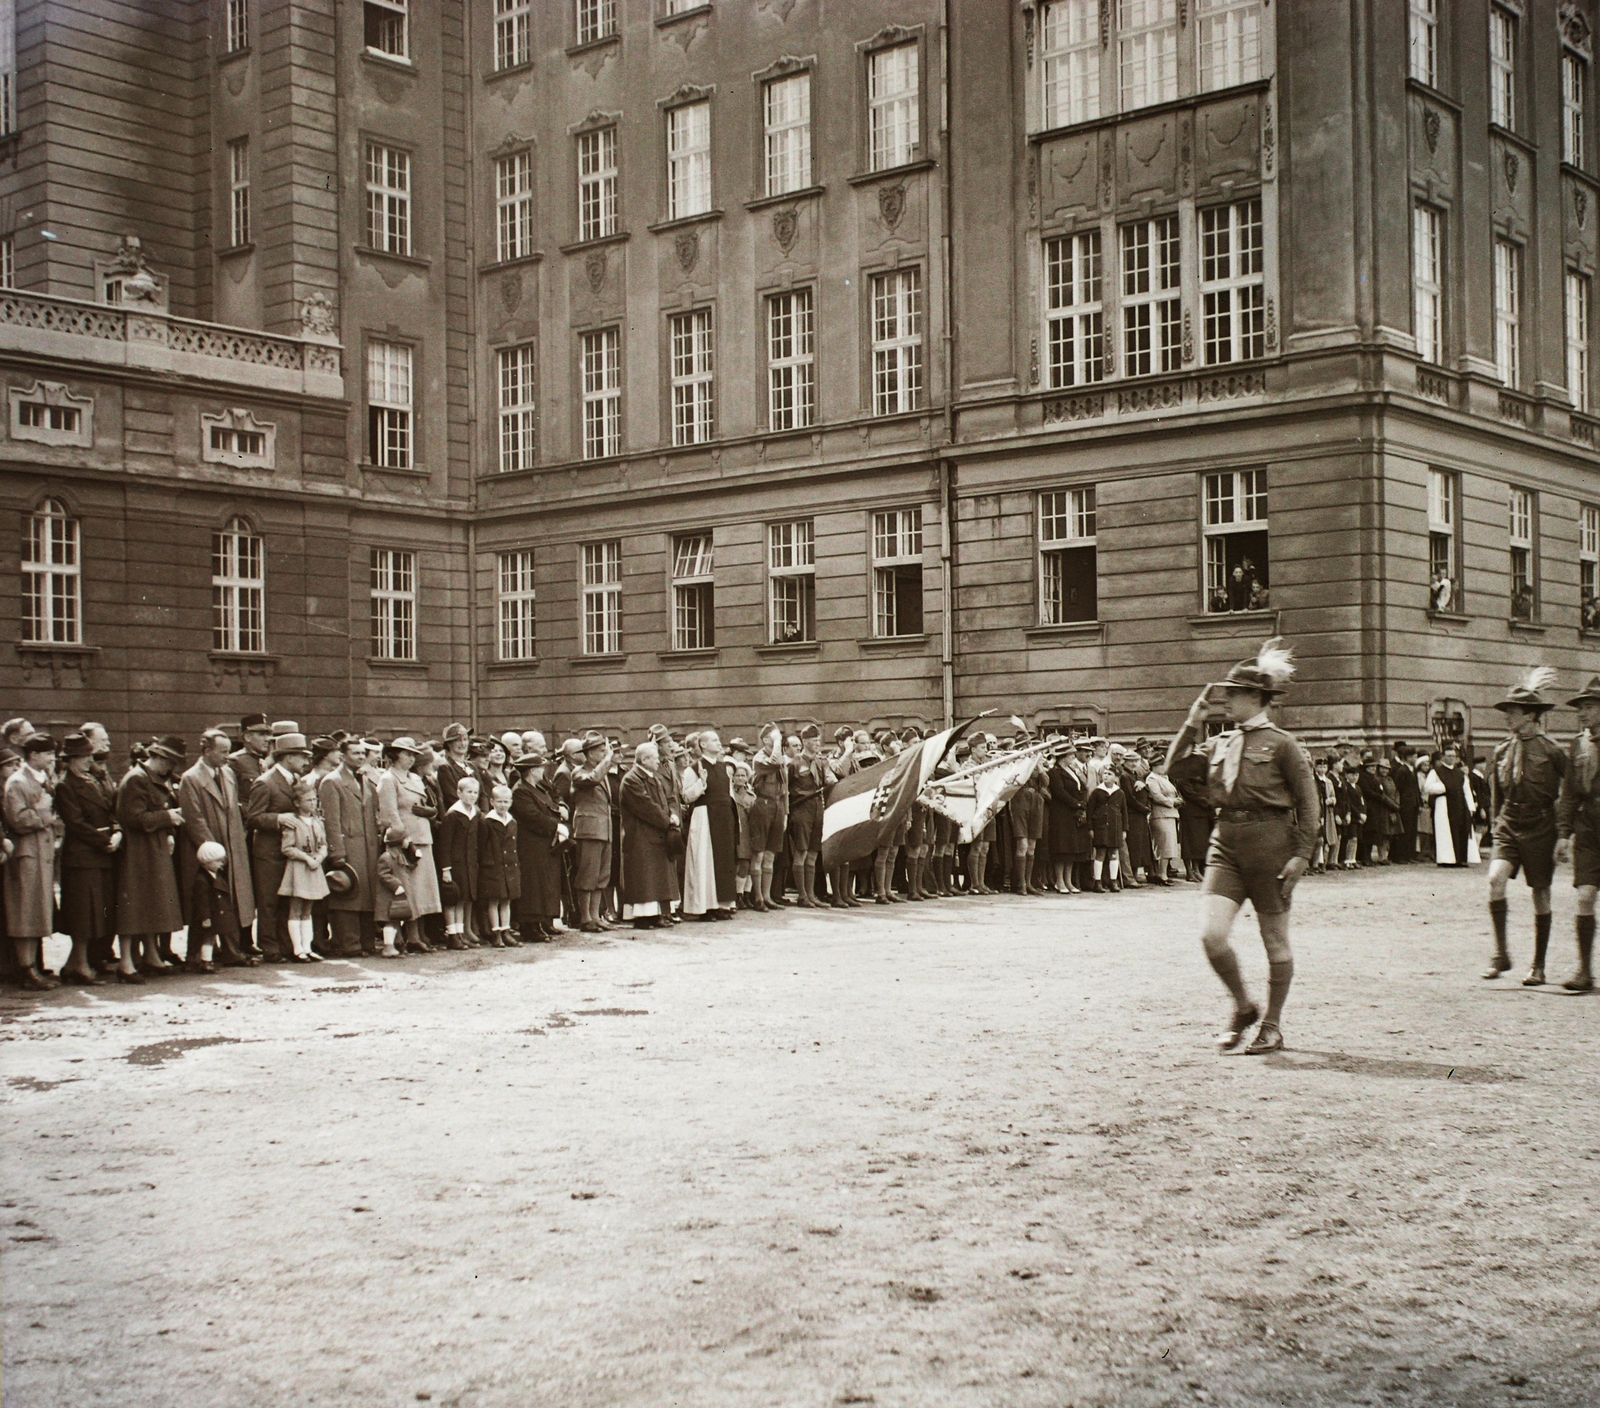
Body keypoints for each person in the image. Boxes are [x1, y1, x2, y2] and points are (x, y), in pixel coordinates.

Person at [1166, 639, 1318, 1055]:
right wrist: (1192, 722)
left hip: (1271, 843)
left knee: (1274, 941)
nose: (1226, 701)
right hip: (1225, 843)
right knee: (1211, 936)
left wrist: (1302, 855)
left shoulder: (1283, 745)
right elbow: (1173, 769)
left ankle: (1272, 1024)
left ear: (1257, 698)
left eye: (1233, 694)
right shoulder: (1221, 742)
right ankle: (1243, 1006)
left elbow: (1308, 803)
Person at [1483, 668, 1568, 986]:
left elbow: (1567, 792)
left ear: (1531, 715)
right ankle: (1501, 954)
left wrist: (1563, 833)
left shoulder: (1553, 751)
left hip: (1541, 826)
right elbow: (1497, 795)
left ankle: (1538, 966)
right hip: (1509, 824)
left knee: (1540, 894)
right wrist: (1496, 825)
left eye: (1513, 712)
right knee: (1495, 880)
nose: (1507, 717)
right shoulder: (1502, 751)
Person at [177, 728, 257, 970]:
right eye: (222, 752)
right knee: (207, 906)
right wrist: (212, 853)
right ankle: (196, 957)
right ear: (207, 750)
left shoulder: (228, 774)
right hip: (208, 852)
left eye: (228, 752)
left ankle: (232, 951)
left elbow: (234, 811)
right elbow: (194, 818)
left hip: (233, 846)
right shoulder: (191, 779)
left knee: (231, 901)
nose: (227, 756)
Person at [116, 735, 188, 979]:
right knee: (133, 906)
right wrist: (167, 819)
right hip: (137, 851)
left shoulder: (151, 778)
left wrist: (166, 827)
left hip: (151, 848)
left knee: (151, 904)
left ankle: (151, 955)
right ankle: (126, 963)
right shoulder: (137, 779)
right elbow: (133, 817)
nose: (172, 767)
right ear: (158, 757)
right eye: (170, 761)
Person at [54, 732, 120, 985]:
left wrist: (116, 832)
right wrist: (105, 841)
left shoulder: (92, 779)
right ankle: (79, 965)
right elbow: (76, 823)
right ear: (70, 759)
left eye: (89, 755)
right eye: (82, 756)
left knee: (97, 911)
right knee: (83, 913)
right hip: (81, 858)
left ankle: (74, 964)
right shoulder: (65, 785)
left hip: (100, 855)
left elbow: (110, 808)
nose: (87, 760)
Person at [245, 726, 312, 962]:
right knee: (269, 902)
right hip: (269, 853)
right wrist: (277, 819)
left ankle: (288, 947)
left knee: (287, 901)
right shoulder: (266, 783)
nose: (305, 761)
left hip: (290, 853)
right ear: (288, 757)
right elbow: (252, 818)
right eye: (302, 756)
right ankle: (270, 948)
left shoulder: (297, 781)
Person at [376, 737, 443, 952]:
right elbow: (389, 814)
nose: (411, 757)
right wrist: (404, 841)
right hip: (404, 842)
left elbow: (424, 805)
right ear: (395, 755)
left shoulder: (414, 778)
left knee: (420, 892)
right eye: (407, 754)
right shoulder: (388, 779)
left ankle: (415, 937)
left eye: (413, 754)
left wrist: (430, 813)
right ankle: (399, 939)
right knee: (405, 891)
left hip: (423, 838)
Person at [5, 733, 60, 991]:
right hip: (27, 855)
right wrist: (44, 814)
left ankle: (32, 966)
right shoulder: (17, 782)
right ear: (33, 755)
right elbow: (17, 819)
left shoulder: (42, 779)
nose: (52, 758)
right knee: (24, 913)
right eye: (48, 753)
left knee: (36, 911)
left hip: (41, 854)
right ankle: (26, 968)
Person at [1555, 675, 1600, 991]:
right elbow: (1570, 792)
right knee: (1585, 895)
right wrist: (1563, 833)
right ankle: (1585, 971)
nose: (1582, 713)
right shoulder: (1579, 744)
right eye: (1580, 708)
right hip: (1589, 830)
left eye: (1588, 706)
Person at [321, 736, 380, 957]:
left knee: (366, 896)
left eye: (363, 753)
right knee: (347, 895)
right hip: (348, 846)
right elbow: (331, 821)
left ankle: (366, 942)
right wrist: (337, 852)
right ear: (343, 756)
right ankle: (348, 944)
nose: (361, 757)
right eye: (355, 753)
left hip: (368, 847)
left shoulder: (365, 780)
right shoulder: (332, 781)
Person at [680, 730, 738, 920]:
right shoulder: (693, 769)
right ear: (703, 745)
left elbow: (729, 795)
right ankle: (704, 907)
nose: (719, 743)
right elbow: (686, 796)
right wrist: (701, 784)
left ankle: (721, 904)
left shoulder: (724, 768)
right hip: (705, 818)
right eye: (714, 740)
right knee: (705, 861)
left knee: (724, 861)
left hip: (723, 818)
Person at [511, 749, 565, 941]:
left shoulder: (537, 788)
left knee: (543, 883)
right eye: (539, 767)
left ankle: (541, 922)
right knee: (532, 884)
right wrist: (556, 825)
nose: (542, 770)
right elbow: (532, 816)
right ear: (532, 770)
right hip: (530, 843)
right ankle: (529, 926)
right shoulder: (520, 791)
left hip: (543, 842)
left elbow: (549, 807)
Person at [569, 731, 616, 933]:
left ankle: (595, 916)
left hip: (603, 829)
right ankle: (585, 918)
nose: (605, 753)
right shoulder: (579, 772)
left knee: (601, 876)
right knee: (587, 875)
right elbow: (592, 779)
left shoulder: (600, 771)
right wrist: (606, 762)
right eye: (600, 750)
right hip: (589, 830)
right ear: (588, 753)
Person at [278, 777, 329, 962]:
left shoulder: (317, 821)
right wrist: (307, 858)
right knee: (296, 909)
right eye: (309, 800)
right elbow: (287, 848)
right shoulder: (292, 822)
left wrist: (320, 857)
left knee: (308, 909)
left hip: (314, 868)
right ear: (297, 803)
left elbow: (323, 844)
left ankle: (307, 948)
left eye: (314, 799)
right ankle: (297, 949)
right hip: (299, 869)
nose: (313, 803)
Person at [786, 725, 834, 908]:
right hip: (801, 809)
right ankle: (802, 895)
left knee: (813, 853)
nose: (817, 743)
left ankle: (812, 895)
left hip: (817, 808)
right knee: (801, 851)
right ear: (804, 741)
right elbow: (786, 790)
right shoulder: (794, 764)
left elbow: (829, 779)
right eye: (813, 741)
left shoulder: (821, 762)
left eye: (817, 740)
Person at [438, 774, 481, 950]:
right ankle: (452, 935)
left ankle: (461, 933)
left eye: (475, 792)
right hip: (455, 864)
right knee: (453, 898)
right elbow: (445, 844)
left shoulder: (475, 813)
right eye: (469, 792)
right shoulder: (453, 815)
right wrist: (446, 869)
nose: (472, 795)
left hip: (469, 863)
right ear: (459, 793)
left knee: (463, 898)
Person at [749, 724, 789, 912]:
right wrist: (778, 742)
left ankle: (767, 896)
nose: (778, 741)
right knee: (758, 853)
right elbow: (775, 762)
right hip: (762, 806)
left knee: (771, 854)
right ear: (766, 740)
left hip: (776, 806)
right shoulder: (759, 759)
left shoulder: (778, 758)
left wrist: (785, 812)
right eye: (774, 737)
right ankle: (757, 897)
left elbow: (784, 789)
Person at [476, 784, 521, 947]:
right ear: (492, 802)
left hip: (509, 866)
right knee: (494, 901)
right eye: (500, 802)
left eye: (506, 802)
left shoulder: (512, 821)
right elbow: (481, 845)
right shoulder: (487, 821)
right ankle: (495, 933)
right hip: (493, 866)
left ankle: (506, 931)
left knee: (506, 901)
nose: (503, 805)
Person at [1422, 743, 1477, 868]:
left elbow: (1467, 790)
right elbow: (1428, 787)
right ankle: (1447, 859)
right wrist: (1443, 788)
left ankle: (1460, 859)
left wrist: (1471, 807)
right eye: (1449, 756)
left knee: (1461, 831)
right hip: (1444, 805)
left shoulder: (1460, 773)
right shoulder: (1436, 772)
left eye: (1454, 756)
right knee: (1446, 832)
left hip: (1460, 806)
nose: (1452, 758)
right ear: (1443, 758)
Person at [375, 824, 420, 958]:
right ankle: (388, 947)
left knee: (395, 921)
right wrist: (396, 885)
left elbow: (408, 867)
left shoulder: (399, 855)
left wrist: (415, 858)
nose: (409, 841)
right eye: (406, 839)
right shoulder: (387, 857)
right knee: (390, 922)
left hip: (397, 896)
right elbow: (383, 874)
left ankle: (395, 945)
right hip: (390, 896)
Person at [1086, 763, 1125, 893]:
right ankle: (1098, 882)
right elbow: (1090, 811)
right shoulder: (1097, 792)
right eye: (1105, 774)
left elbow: (1123, 812)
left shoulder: (1119, 793)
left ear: (1116, 777)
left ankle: (1113, 881)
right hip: (1100, 826)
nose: (1106, 776)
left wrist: (1124, 829)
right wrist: (1090, 828)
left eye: (1110, 774)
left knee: (1114, 853)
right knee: (1100, 853)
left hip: (1115, 827)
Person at [1145, 758, 1183, 885]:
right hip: (1160, 814)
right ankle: (1161, 874)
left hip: (1170, 814)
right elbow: (1156, 796)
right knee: (1163, 845)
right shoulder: (1152, 778)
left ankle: (1163, 873)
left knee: (1169, 845)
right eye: (1161, 765)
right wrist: (1172, 802)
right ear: (1154, 766)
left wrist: (1177, 800)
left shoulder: (1164, 778)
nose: (1163, 767)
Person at [1391, 743, 1421, 862]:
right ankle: (1401, 856)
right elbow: (1399, 788)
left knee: (1411, 830)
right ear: (1408, 758)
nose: (1415, 759)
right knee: (1405, 831)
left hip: (1412, 804)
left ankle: (1409, 855)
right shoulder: (1402, 770)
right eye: (1414, 757)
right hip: (1406, 805)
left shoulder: (1411, 770)